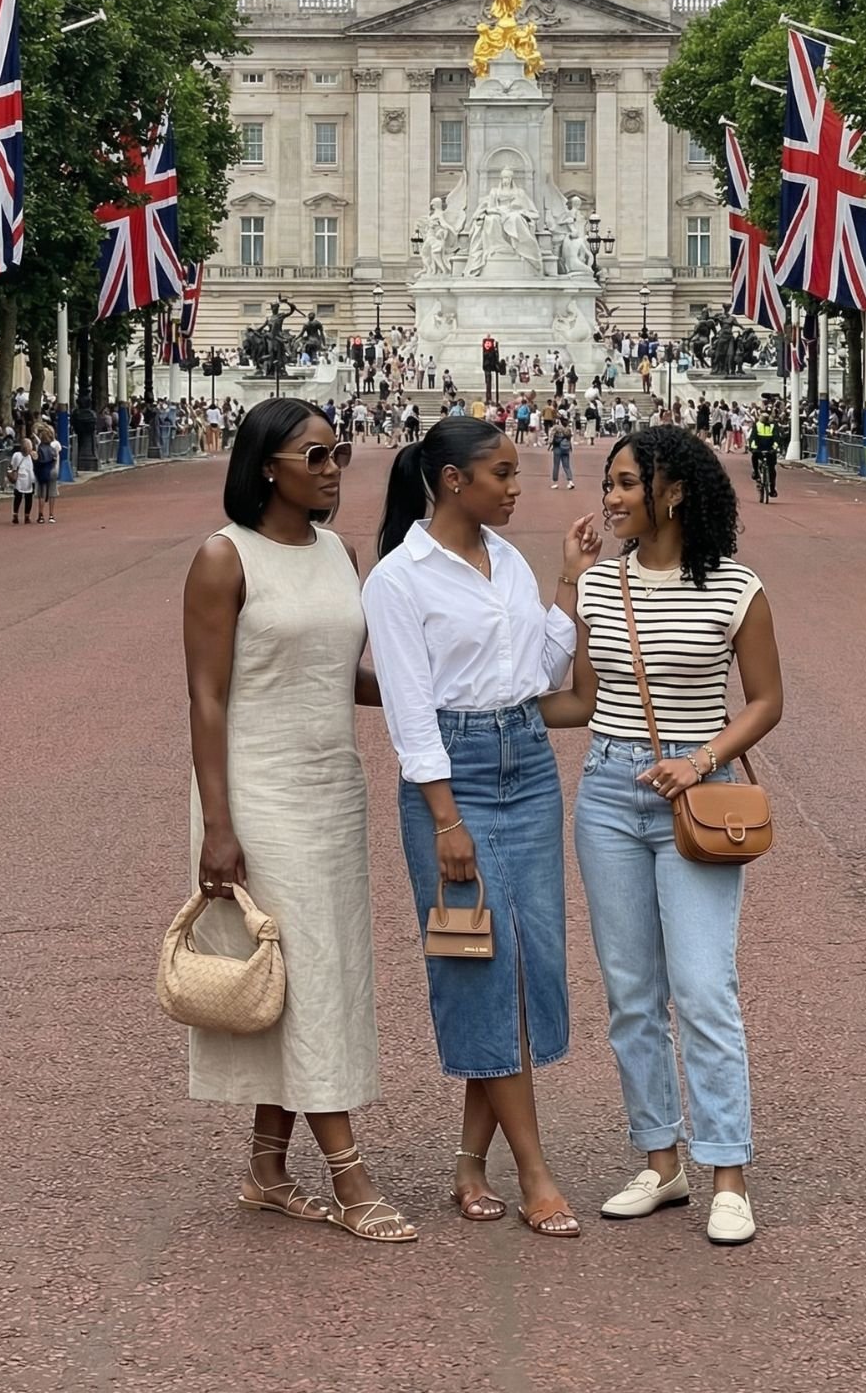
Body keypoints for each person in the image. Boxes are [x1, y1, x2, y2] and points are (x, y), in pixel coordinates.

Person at [543, 426, 783, 1245]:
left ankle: (727, 1172)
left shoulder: (734, 588)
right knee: (630, 993)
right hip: (609, 790)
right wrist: (566, 583)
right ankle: (659, 1160)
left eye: (621, 484)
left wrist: (701, 759)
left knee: (704, 985)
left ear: (671, 492)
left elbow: (764, 702)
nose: (607, 498)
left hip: (698, 790)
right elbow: (573, 694)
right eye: (607, 483)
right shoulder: (601, 584)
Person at [183, 398, 415, 1243]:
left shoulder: (337, 553)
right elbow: (206, 697)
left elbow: (341, 674)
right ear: (265, 465)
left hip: (331, 786)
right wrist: (218, 824)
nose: (332, 470)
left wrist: (448, 692)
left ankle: (266, 1169)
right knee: (312, 971)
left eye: (338, 454)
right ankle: (350, 1177)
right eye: (315, 455)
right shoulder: (223, 558)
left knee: (313, 970)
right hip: (257, 790)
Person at [362, 419, 602, 1237]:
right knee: (477, 962)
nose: (515, 485)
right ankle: (535, 1170)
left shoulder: (506, 560)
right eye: (500, 473)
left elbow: (537, 671)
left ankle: (469, 1161)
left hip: (527, 762)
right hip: (452, 775)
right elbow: (407, 709)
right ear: (453, 481)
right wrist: (443, 819)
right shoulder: (398, 579)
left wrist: (566, 584)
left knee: (525, 962)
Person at [748, 408, 779, 498]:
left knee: (772, 469)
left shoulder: (773, 426)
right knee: (754, 457)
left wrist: (774, 448)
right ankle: (756, 472)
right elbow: (753, 438)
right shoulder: (757, 425)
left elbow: (776, 439)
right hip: (759, 449)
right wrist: (753, 448)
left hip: (770, 450)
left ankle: (772, 489)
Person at [10, 439, 36, 524]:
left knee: (27, 498)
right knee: (19, 497)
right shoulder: (17, 455)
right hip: (21, 479)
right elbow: (13, 466)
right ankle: (17, 515)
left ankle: (25, 516)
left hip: (28, 479)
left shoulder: (30, 456)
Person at [549, 415, 575, 491]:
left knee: (556, 465)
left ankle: (555, 482)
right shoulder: (568, 429)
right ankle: (570, 481)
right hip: (566, 448)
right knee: (567, 466)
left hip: (557, 448)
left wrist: (550, 443)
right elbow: (570, 439)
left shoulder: (556, 428)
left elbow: (551, 437)